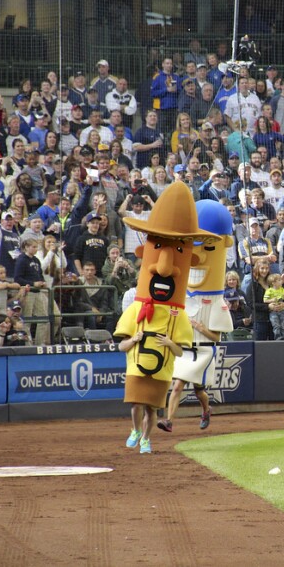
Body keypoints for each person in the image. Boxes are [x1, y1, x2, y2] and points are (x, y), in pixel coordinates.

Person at [116, 183, 210, 455]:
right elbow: (120, 344)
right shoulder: (136, 308)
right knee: (136, 404)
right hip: (137, 366)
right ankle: (135, 431)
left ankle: (146, 438)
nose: (165, 266)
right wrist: (133, 339)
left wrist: (169, 344)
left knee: (152, 408)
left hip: (161, 369)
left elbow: (181, 349)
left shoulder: (177, 314)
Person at [159, 200, 234, 432]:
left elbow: (218, 338)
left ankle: (205, 410)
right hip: (184, 349)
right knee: (178, 384)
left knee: (199, 391)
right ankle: (169, 420)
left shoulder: (217, 303)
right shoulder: (184, 296)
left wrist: (201, 328)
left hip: (203, 351)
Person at [264, 273, 284, 340]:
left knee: (283, 324)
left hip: (282, 310)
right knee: (276, 325)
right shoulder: (269, 291)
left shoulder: (282, 289)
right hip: (273, 311)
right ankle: (278, 337)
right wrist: (271, 300)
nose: (281, 281)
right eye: (279, 280)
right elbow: (265, 300)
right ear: (273, 283)